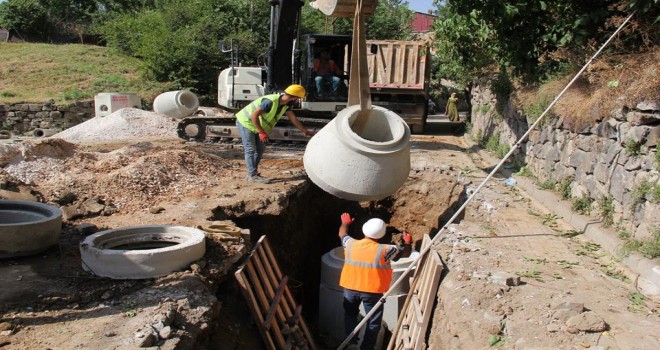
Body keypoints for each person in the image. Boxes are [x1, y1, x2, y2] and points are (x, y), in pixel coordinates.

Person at [337, 213, 412, 350]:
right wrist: (407, 242)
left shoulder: (351, 244)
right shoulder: (387, 250)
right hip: (372, 291)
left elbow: (342, 233)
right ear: (382, 235)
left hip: (350, 288)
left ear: (364, 230)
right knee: (373, 321)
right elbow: (406, 254)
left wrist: (345, 223)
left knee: (350, 315)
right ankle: (367, 347)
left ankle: (351, 343)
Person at [235, 84, 315, 184]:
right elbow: (254, 115)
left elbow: (293, 118)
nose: (299, 100)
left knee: (260, 149)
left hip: (256, 125)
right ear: (294, 97)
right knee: (250, 149)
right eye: (299, 98)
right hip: (246, 122)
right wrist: (261, 132)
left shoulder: (286, 105)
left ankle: (252, 174)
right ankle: (252, 175)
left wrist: (304, 131)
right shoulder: (270, 102)